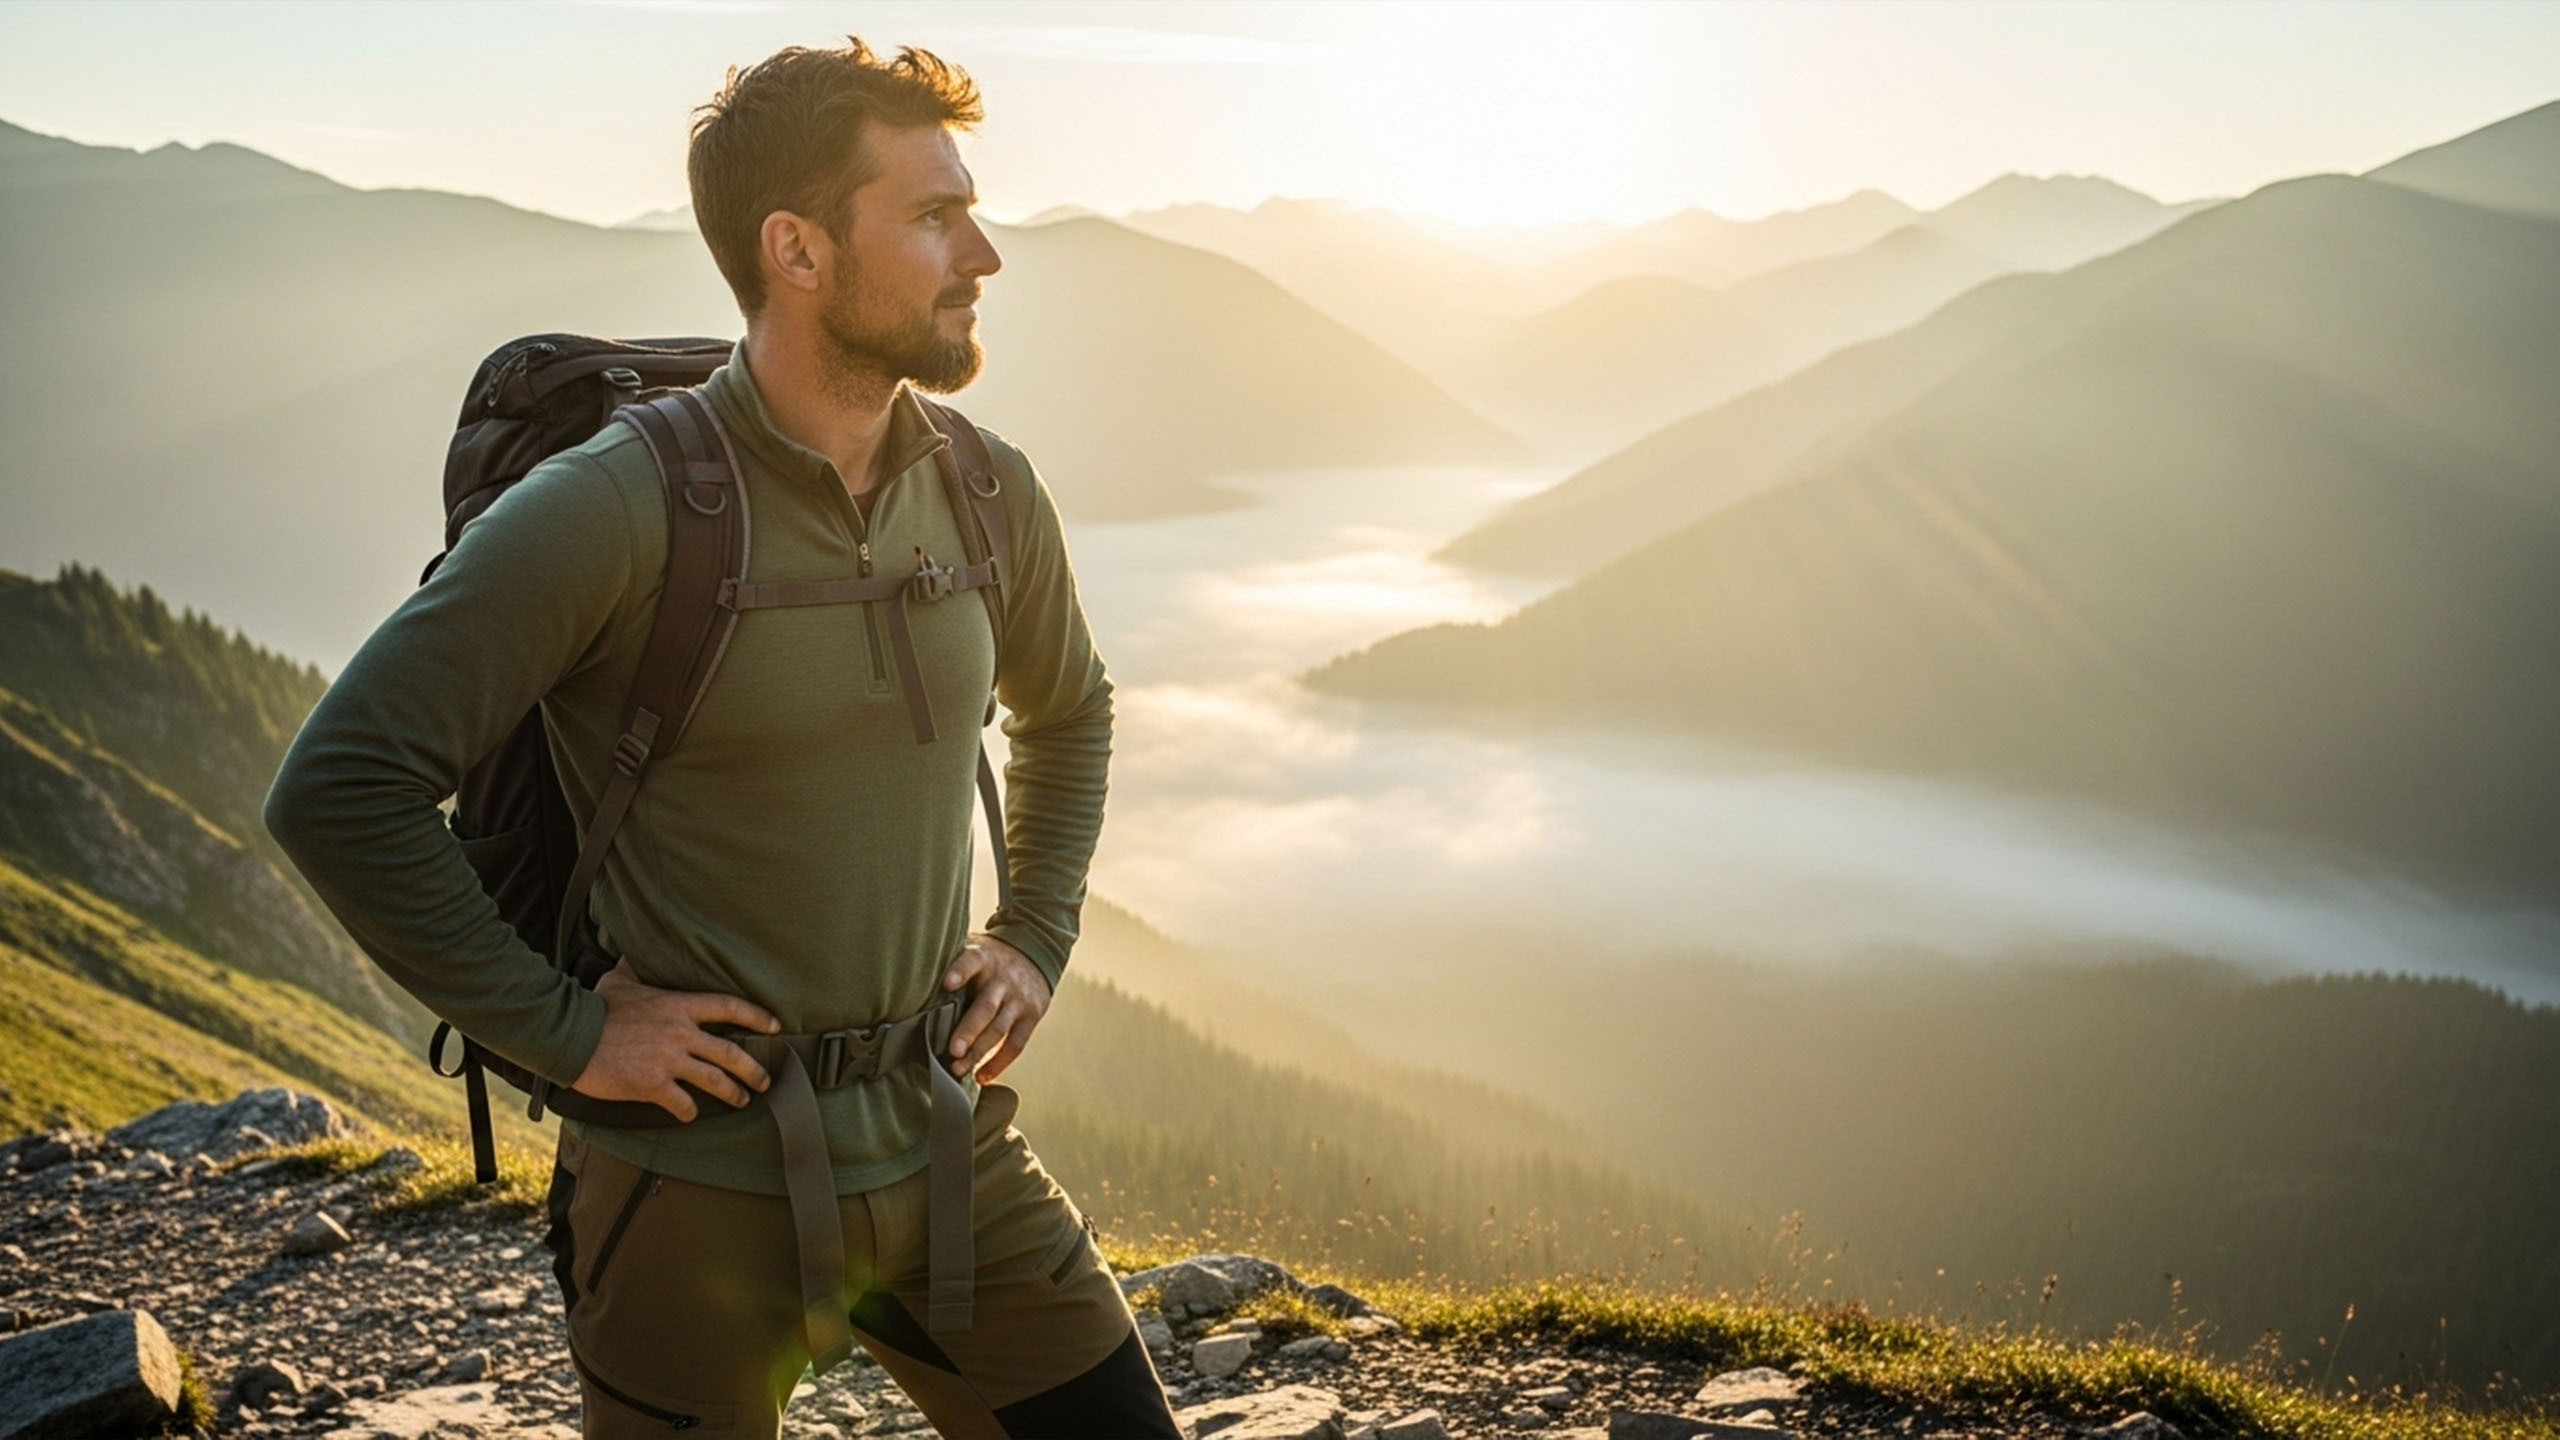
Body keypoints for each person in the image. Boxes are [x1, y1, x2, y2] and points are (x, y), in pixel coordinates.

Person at [262, 36, 1184, 1439]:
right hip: (688, 1201)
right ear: (796, 250)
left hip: (950, 1156)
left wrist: (1038, 931)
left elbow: (1073, 707)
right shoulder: (616, 509)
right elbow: (339, 788)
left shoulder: (992, 494)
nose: (984, 252)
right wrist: (567, 1034)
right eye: (934, 216)